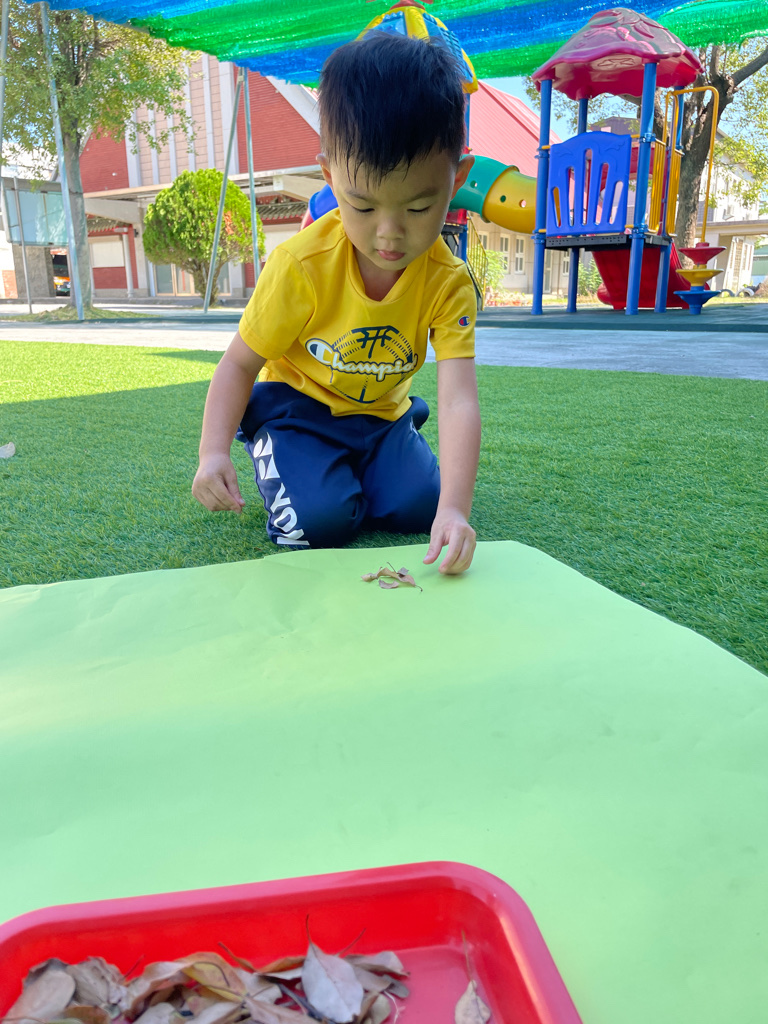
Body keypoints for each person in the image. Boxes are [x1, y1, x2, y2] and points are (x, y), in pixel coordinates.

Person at [192, 32, 481, 574]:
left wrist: (454, 510)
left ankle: (375, 459)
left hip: (382, 417)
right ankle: (291, 455)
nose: (389, 234)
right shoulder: (300, 265)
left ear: (456, 178)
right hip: (299, 413)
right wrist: (212, 452)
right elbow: (239, 363)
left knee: (423, 507)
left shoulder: (448, 281)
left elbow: (459, 397)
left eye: (419, 208)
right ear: (330, 176)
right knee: (319, 522)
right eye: (363, 207)